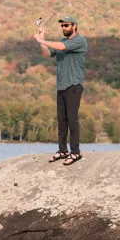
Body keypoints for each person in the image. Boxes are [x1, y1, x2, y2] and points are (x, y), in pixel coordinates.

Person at [34, 16, 88, 166]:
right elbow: (47, 53)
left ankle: (75, 152)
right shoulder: (62, 42)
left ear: (74, 26)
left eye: (66, 25)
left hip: (74, 85)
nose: (64, 28)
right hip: (61, 86)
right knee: (62, 120)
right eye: (62, 26)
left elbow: (62, 48)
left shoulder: (79, 41)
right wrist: (42, 38)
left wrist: (41, 40)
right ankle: (62, 150)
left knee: (72, 119)